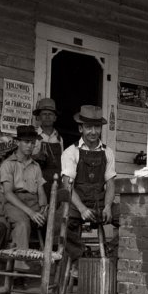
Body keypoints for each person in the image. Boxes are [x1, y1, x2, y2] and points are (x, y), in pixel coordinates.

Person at [61, 105, 117, 264]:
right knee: (59, 223)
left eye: (97, 127)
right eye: (88, 127)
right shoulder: (70, 152)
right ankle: (82, 256)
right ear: (80, 128)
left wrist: (107, 206)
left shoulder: (108, 152)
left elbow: (111, 184)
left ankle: (110, 253)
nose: (93, 131)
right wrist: (82, 209)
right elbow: (67, 185)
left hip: (99, 202)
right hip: (76, 203)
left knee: (129, 218)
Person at [0, 126, 48, 272]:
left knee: (55, 221)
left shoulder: (36, 166)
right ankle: (20, 264)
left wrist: (44, 208)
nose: (30, 146)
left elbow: (40, 191)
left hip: (33, 202)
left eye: (32, 143)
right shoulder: (8, 164)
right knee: (22, 223)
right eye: (26, 142)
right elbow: (8, 193)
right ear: (18, 142)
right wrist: (31, 213)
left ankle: (54, 266)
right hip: (15, 203)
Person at [32, 98, 64, 200]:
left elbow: (63, 161)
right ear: (39, 117)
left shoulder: (59, 138)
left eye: (50, 114)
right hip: (39, 181)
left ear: (55, 118)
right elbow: (25, 160)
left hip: (56, 181)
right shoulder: (33, 136)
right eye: (44, 114)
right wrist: (36, 156)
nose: (47, 117)